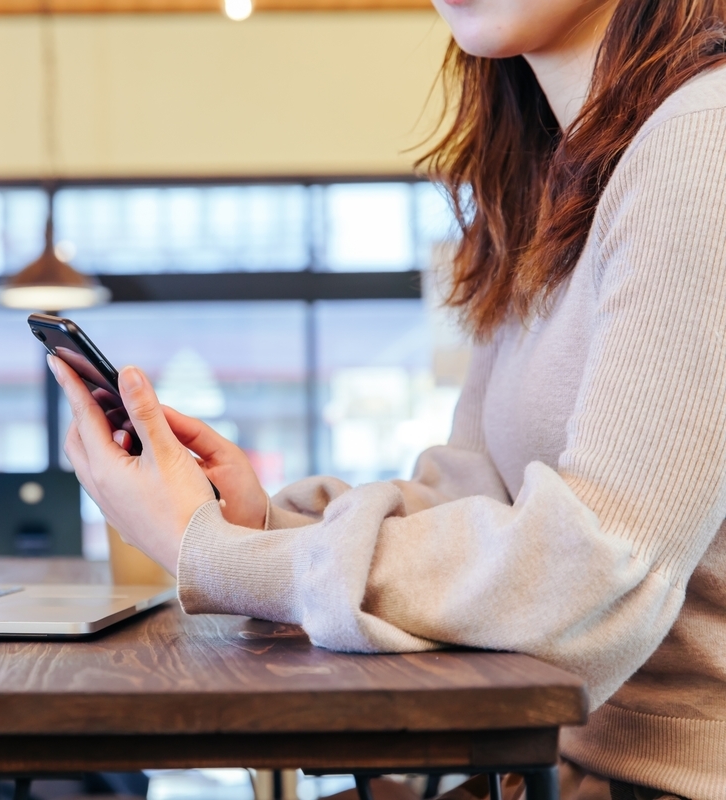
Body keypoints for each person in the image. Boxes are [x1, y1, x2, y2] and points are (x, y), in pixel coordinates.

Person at [48, 1, 726, 798]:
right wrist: (262, 524)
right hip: (546, 768)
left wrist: (222, 557)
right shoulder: (546, 180)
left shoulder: (702, 140)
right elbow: (472, 493)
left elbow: (596, 572)